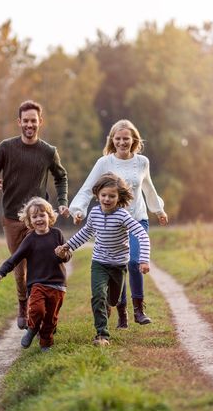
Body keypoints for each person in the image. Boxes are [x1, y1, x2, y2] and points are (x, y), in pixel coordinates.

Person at [68, 119, 167, 329]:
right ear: (112, 139)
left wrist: (158, 210)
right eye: (118, 138)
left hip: (137, 218)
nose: (122, 142)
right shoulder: (104, 162)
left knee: (134, 261)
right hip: (114, 221)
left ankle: (139, 309)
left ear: (133, 140)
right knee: (118, 264)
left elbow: (148, 188)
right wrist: (78, 210)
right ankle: (122, 313)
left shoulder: (142, 162)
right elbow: (88, 187)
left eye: (126, 138)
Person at [0, 100, 69, 330]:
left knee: (40, 263)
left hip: (38, 218)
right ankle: (23, 303)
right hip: (12, 217)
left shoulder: (48, 151)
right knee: (19, 266)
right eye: (26, 121)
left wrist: (62, 202)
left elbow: (61, 177)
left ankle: (37, 306)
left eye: (34, 120)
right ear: (19, 122)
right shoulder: (6, 147)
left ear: (40, 122)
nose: (29, 124)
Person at [55, 173, 150, 346]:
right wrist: (67, 246)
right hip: (99, 262)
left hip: (119, 264)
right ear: (97, 194)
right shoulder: (94, 212)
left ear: (119, 197)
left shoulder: (123, 215)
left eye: (112, 196)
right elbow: (86, 233)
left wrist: (143, 260)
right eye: (104, 195)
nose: (107, 199)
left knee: (112, 300)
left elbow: (142, 235)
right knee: (98, 296)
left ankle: (114, 308)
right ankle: (102, 335)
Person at [0, 197, 71, 351]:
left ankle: (45, 344)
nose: (39, 219)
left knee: (50, 319)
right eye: (34, 217)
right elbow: (15, 258)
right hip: (37, 284)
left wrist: (63, 255)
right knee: (36, 310)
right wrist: (1, 273)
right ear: (29, 220)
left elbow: (68, 255)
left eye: (42, 215)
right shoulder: (30, 240)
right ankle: (33, 329)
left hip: (58, 285)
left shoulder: (57, 234)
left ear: (49, 216)